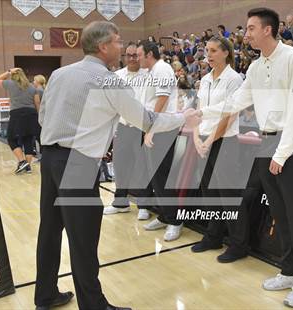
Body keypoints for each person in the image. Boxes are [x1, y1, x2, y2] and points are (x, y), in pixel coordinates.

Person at [35, 21, 200, 310]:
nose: (122, 47)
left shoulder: (59, 74)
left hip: (49, 158)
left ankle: (45, 295)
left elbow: (43, 116)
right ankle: (94, 305)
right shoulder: (110, 80)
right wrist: (182, 117)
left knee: (49, 230)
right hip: (78, 162)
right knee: (83, 237)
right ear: (103, 46)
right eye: (117, 41)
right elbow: (146, 120)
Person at [197, 7, 293, 307]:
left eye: (251, 28)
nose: (246, 33)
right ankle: (290, 271)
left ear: (268, 29)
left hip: (288, 145)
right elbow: (238, 101)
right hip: (266, 143)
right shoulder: (255, 66)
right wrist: (204, 111)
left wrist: (282, 151)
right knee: (279, 212)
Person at [190, 37, 248, 263]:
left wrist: (210, 140)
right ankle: (213, 236)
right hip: (203, 139)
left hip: (224, 141)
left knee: (229, 195)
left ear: (226, 52)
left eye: (213, 50)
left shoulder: (234, 79)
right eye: (207, 50)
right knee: (209, 193)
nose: (209, 54)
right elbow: (198, 111)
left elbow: (229, 114)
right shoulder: (204, 79)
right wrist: (196, 137)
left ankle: (239, 244)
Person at [136, 40, 184, 242]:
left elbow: (162, 100)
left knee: (163, 177)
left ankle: (175, 221)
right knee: (155, 177)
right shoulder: (150, 72)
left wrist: (151, 129)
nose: (137, 58)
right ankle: (165, 216)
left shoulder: (162, 69)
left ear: (149, 54)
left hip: (162, 130)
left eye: (139, 55)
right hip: (152, 128)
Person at [102, 42, 153, 220]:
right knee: (120, 165)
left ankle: (143, 205)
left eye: (135, 55)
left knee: (143, 167)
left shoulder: (149, 75)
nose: (132, 58)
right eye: (128, 55)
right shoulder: (116, 76)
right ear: (124, 57)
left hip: (141, 128)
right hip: (122, 128)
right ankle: (120, 202)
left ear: (140, 56)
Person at [0, 68, 40, 174]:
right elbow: (37, 103)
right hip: (31, 114)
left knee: (11, 138)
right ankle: (28, 167)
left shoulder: (10, 83)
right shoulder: (32, 87)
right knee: (28, 140)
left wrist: (9, 72)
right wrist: (38, 116)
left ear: (13, 76)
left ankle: (22, 161)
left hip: (17, 114)